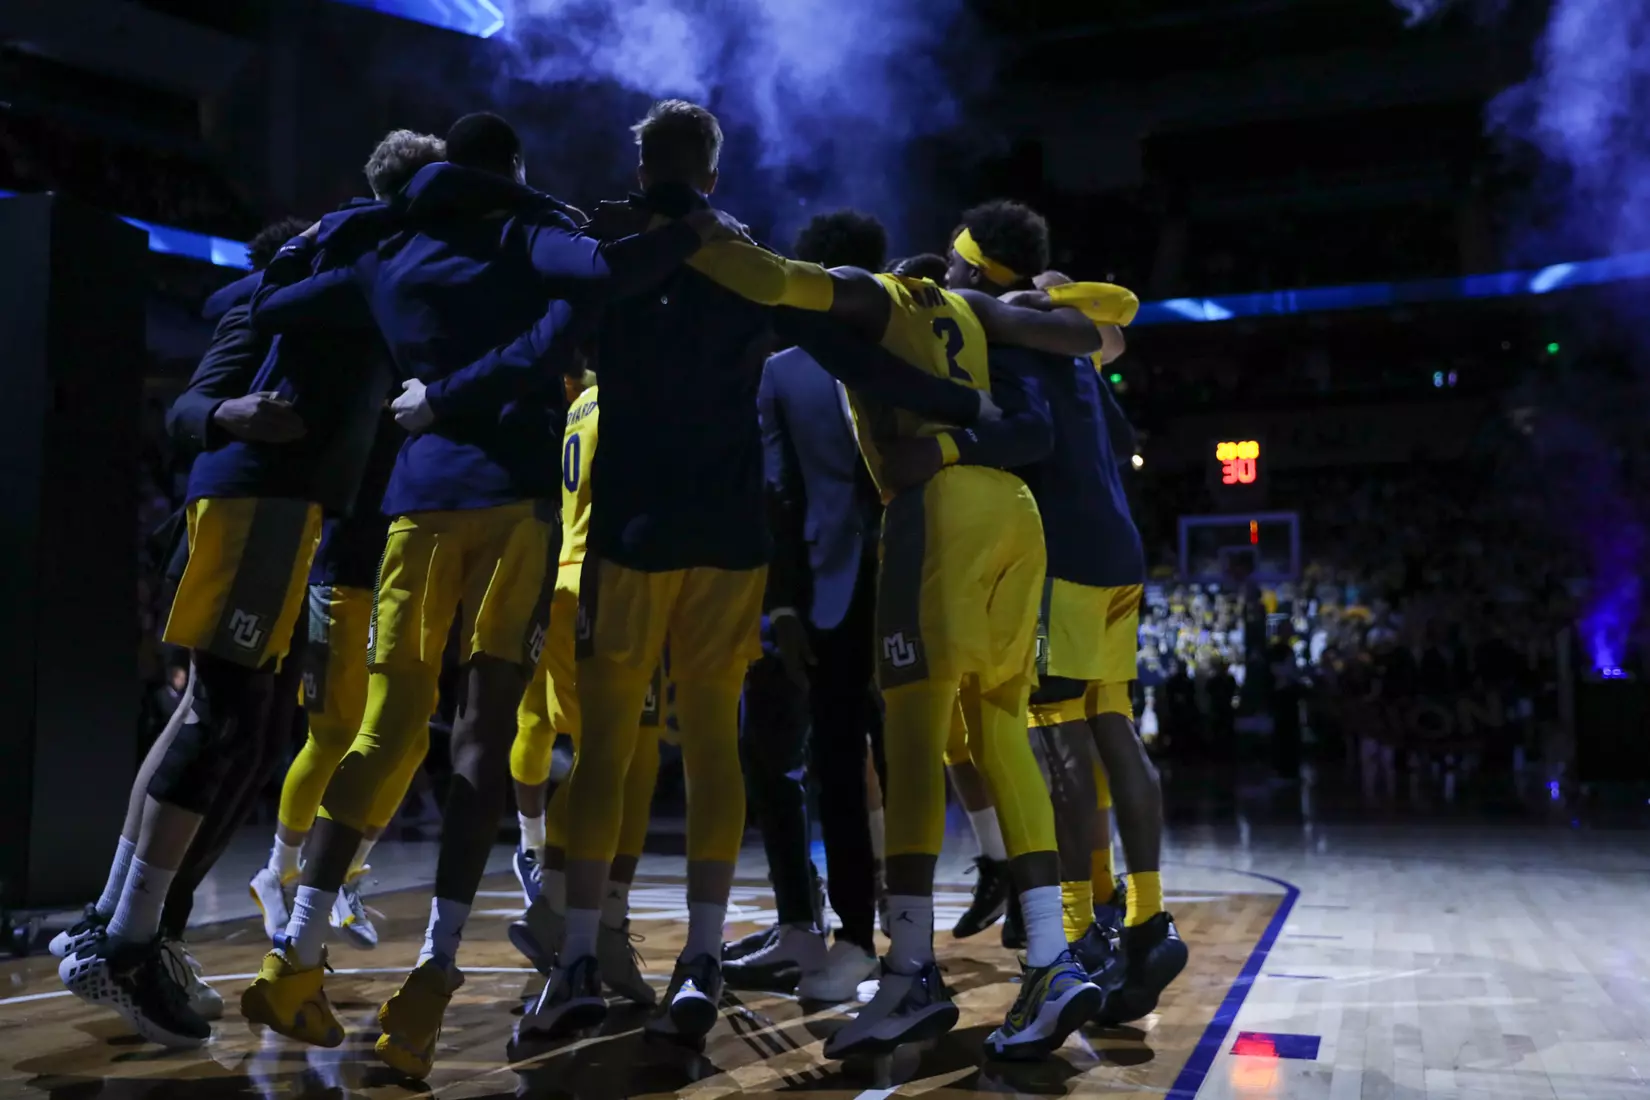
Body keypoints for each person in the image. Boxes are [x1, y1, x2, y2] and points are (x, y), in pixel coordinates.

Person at [238, 110, 743, 1081]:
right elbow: (607, 277)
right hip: (513, 510)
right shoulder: (525, 233)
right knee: (481, 735)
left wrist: (334, 238)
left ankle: (293, 952)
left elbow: (274, 307)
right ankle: (429, 982)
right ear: (509, 168)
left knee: (386, 729)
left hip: (415, 505)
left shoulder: (392, 249)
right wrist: (691, 233)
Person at [521, 101, 996, 1049]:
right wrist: (961, 402)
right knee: (709, 747)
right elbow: (848, 354)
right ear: (713, 172)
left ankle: (580, 955)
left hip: (631, 532)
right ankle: (700, 954)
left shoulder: (609, 251)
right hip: (730, 538)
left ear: (648, 164)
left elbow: (540, 345)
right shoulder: (745, 264)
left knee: (609, 745)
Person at [772, 253, 1115, 1060]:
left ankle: (912, 970)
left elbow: (792, 294)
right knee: (1002, 734)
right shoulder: (976, 316)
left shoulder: (876, 297)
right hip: (1014, 510)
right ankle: (1050, 959)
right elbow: (1081, 358)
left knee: (912, 742)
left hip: (939, 513)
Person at [53, 200, 379, 1047]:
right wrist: (229, 414)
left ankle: (128, 925)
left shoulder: (323, 305)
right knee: (219, 720)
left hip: (286, 518)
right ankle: (127, 939)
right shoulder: (272, 301)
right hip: (248, 514)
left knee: (253, 730)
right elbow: (190, 407)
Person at [941, 203, 1185, 1023]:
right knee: (1113, 724)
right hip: (1120, 548)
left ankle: (1082, 929)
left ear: (976, 268)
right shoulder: (1064, 338)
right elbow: (1114, 402)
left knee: (1058, 748)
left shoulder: (995, 326)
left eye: (952, 260)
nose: (945, 272)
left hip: (1066, 556)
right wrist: (1059, 296)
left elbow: (1030, 431)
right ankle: (1145, 915)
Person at [247, 129, 448, 955]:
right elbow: (265, 304)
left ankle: (347, 872)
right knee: (336, 732)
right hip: (346, 550)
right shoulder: (353, 267)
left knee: (405, 725)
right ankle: (280, 869)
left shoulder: (419, 284)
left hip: (409, 538)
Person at [724, 210, 899, 1002]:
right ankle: (857, 936)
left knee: (894, 766)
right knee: (838, 763)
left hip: (906, 575)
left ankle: (900, 935)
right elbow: (779, 492)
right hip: (848, 587)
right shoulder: (788, 370)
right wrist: (786, 605)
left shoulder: (906, 345)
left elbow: (778, 495)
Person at [504, 370, 664, 1012]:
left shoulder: (579, 405)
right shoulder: (634, 395)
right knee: (623, 762)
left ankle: (563, 895)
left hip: (569, 581)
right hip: (615, 583)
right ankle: (576, 914)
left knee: (601, 754)